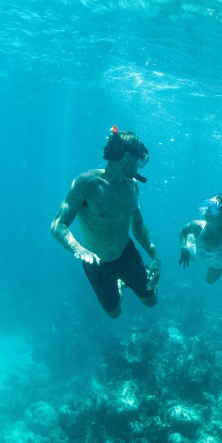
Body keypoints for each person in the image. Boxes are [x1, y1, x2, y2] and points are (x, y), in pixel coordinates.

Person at [50, 127, 162, 318]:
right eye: (139, 160)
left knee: (151, 301)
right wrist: (79, 249)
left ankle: (125, 279)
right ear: (127, 156)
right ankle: (119, 285)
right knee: (114, 313)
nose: (138, 167)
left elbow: (138, 224)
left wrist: (155, 256)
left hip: (125, 253)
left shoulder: (132, 187)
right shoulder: (86, 183)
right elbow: (57, 225)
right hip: (95, 261)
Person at [178, 195, 222, 284]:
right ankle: (192, 238)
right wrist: (183, 249)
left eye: (213, 206)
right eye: (207, 204)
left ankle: (193, 238)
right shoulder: (197, 226)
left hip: (218, 263)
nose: (207, 209)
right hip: (196, 254)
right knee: (189, 245)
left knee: (210, 281)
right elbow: (183, 230)